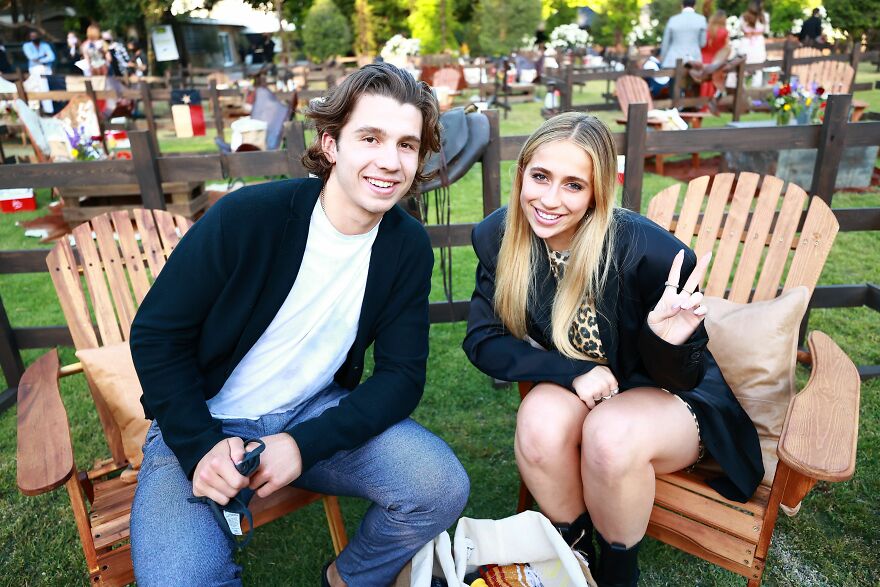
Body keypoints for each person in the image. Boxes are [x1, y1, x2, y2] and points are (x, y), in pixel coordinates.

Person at [129, 62, 469, 586]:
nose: (389, 161)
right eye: (371, 137)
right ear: (330, 144)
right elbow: (157, 333)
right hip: (203, 420)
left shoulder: (406, 246)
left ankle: (347, 578)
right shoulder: (247, 217)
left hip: (311, 411)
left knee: (439, 486)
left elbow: (401, 377)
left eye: (406, 144)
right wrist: (198, 445)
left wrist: (303, 444)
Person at [463, 113, 762, 587]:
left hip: (667, 394)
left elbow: (683, 377)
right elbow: (482, 340)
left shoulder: (654, 255)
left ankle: (620, 571)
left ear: (598, 191)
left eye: (573, 185)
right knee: (538, 424)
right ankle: (576, 552)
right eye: (540, 177)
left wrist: (667, 338)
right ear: (522, 174)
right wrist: (571, 370)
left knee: (609, 436)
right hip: (589, 378)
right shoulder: (500, 238)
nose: (549, 199)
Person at [659, 0, 707, 68]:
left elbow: (665, 43)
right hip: (694, 61)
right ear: (695, 6)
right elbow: (703, 43)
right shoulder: (702, 19)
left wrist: (662, 60)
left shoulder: (673, 19)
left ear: (682, 5)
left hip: (672, 60)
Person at [699, 10, 730, 108]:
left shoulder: (706, 29)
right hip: (715, 60)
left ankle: (701, 103)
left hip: (702, 58)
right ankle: (709, 104)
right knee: (712, 81)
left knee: (703, 82)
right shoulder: (724, 32)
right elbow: (726, 49)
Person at [22, 31, 55, 113]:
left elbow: (52, 57)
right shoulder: (27, 46)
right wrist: (43, 55)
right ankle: (47, 110)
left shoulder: (45, 45)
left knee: (41, 82)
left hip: (46, 69)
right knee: (40, 84)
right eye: (32, 36)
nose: (34, 37)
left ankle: (47, 109)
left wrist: (40, 59)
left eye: (35, 35)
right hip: (35, 69)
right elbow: (31, 57)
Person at [740, 1, 768, 87]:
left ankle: (742, 91)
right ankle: (755, 94)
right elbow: (766, 31)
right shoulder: (765, 17)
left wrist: (750, 32)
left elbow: (741, 30)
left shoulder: (743, 17)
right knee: (758, 72)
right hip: (758, 46)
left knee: (743, 71)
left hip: (746, 44)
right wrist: (757, 33)